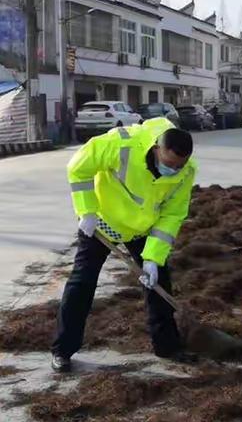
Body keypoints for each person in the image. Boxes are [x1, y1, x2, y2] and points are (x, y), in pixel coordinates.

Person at [51, 118, 197, 372]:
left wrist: (152, 258)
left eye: (179, 165)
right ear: (155, 149)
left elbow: (172, 215)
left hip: (142, 228)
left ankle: (167, 347)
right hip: (101, 222)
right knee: (82, 282)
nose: (174, 169)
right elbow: (78, 167)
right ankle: (63, 350)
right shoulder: (122, 143)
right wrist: (87, 211)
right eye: (169, 163)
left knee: (158, 281)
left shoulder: (186, 172)